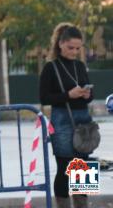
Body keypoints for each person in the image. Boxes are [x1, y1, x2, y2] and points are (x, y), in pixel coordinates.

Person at [39, 23, 93, 208]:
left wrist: (87, 94)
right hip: (62, 120)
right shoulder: (51, 67)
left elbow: (89, 95)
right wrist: (68, 95)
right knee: (64, 168)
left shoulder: (80, 66)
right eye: (71, 48)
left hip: (83, 119)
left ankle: (82, 205)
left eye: (78, 48)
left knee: (82, 166)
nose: (74, 52)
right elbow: (44, 98)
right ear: (60, 43)